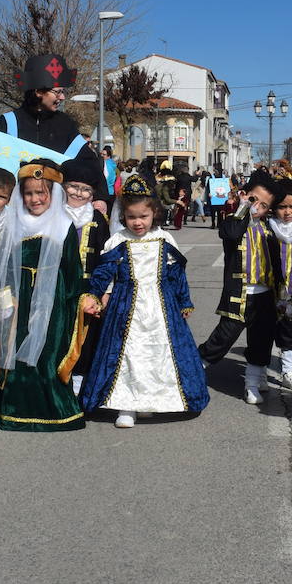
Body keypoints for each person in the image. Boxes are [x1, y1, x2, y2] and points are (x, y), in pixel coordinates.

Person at [79, 175, 208, 427]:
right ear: (123, 216)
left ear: (154, 213)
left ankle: (152, 400)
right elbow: (104, 273)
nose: (137, 222)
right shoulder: (117, 241)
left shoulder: (164, 240)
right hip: (124, 307)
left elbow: (176, 274)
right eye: (131, 217)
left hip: (162, 306)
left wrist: (184, 301)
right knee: (127, 354)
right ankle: (126, 407)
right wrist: (96, 294)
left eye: (143, 217)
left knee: (159, 351)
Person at [0, 159, 87, 431]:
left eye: (41, 192)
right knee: (17, 351)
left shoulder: (64, 225)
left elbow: (73, 269)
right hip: (20, 299)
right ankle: (15, 408)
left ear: (53, 193)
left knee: (49, 352)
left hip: (53, 299)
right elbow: (4, 266)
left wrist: (78, 299)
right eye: (28, 193)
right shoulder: (14, 223)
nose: (35, 198)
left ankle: (55, 409)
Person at [198, 170, 278, 399]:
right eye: (254, 200)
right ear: (244, 195)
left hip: (264, 293)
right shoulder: (234, 222)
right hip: (239, 292)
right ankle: (193, 368)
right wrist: (244, 208)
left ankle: (252, 383)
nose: (257, 208)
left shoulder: (269, 227)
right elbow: (231, 234)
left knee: (261, 340)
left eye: (263, 205)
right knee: (223, 337)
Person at [61, 156, 112, 396]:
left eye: (86, 190)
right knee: (60, 339)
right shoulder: (54, 215)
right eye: (73, 187)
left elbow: (106, 257)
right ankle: (60, 387)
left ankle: (79, 391)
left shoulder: (98, 219)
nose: (79, 193)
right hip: (59, 289)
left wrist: (105, 292)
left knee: (86, 340)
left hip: (90, 289)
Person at [0, 53, 95, 162]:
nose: (62, 97)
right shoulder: (10, 122)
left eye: (62, 92)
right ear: (39, 92)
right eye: (57, 92)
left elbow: (89, 165)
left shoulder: (66, 125)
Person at [266, 178, 292, 395]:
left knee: (291, 330)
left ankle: (289, 370)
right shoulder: (268, 227)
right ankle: (259, 369)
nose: (288, 212)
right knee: (267, 330)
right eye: (282, 207)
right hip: (270, 289)